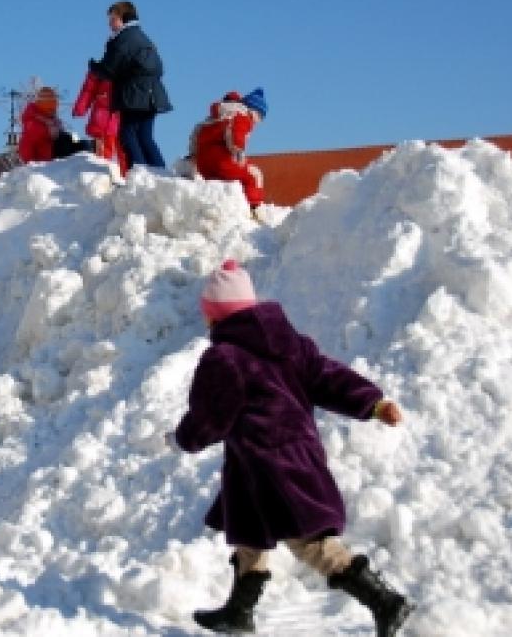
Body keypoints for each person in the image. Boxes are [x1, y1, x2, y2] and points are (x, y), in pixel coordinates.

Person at [169, 260, 413, 636]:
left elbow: (211, 415)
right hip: (282, 457)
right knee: (250, 534)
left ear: (215, 317)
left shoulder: (224, 358)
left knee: (310, 543)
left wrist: (184, 438)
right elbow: (329, 377)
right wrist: (373, 403)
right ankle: (238, 613)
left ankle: (385, 601)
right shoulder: (289, 344)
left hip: (270, 464)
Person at [91, 0, 172, 170]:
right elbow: (158, 67)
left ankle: (141, 173)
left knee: (127, 135)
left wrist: (94, 67)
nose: (110, 24)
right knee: (145, 137)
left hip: (135, 94)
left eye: (113, 19)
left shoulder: (124, 39)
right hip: (153, 94)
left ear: (124, 19)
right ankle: (160, 174)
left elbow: (109, 69)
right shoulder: (142, 37)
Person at [189, 89, 268, 218]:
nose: (258, 121)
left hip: (204, 166)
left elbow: (194, 136)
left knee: (236, 175)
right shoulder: (241, 115)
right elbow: (235, 133)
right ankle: (254, 208)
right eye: (260, 116)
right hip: (222, 163)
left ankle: (228, 204)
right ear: (253, 110)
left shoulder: (211, 118)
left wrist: (193, 156)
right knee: (254, 174)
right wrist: (238, 150)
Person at [72, 62, 128, 174]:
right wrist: (80, 108)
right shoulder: (102, 67)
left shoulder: (127, 67)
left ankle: (128, 181)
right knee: (104, 155)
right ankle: (102, 178)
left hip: (118, 119)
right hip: (105, 120)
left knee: (125, 154)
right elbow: (88, 90)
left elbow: (88, 90)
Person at [18, 87, 92, 164]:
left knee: (83, 143)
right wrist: (32, 165)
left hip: (56, 151)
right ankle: (68, 167)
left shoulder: (52, 121)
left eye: (54, 109)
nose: (54, 112)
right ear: (44, 109)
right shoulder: (33, 124)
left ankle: (88, 164)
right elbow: (25, 148)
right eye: (51, 109)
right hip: (46, 159)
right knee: (64, 139)